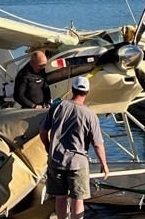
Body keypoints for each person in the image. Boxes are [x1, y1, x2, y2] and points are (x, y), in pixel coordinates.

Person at [39, 76, 109, 219]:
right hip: (77, 163)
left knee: (60, 198)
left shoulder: (57, 107)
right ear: (87, 92)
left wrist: (48, 147)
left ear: (72, 90)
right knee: (78, 199)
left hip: (56, 161)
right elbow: (97, 144)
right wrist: (104, 165)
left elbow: (43, 132)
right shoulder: (90, 115)